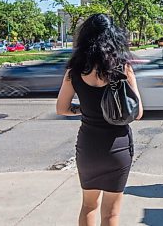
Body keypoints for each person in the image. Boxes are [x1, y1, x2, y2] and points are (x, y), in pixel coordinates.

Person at [56, 14, 143, 226]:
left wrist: (83, 109)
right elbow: (138, 112)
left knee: (88, 206)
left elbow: (62, 108)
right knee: (111, 214)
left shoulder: (74, 72)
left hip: (88, 147)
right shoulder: (122, 69)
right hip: (118, 147)